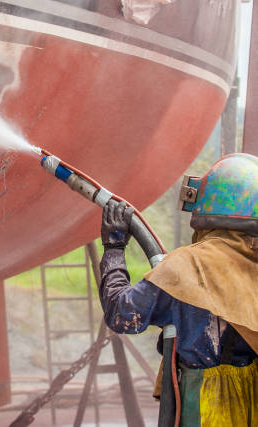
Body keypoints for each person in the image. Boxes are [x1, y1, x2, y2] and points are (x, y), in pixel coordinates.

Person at [98, 153, 257, 426]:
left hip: (205, 406)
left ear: (207, 209)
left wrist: (114, 247)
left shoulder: (187, 267)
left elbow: (121, 314)